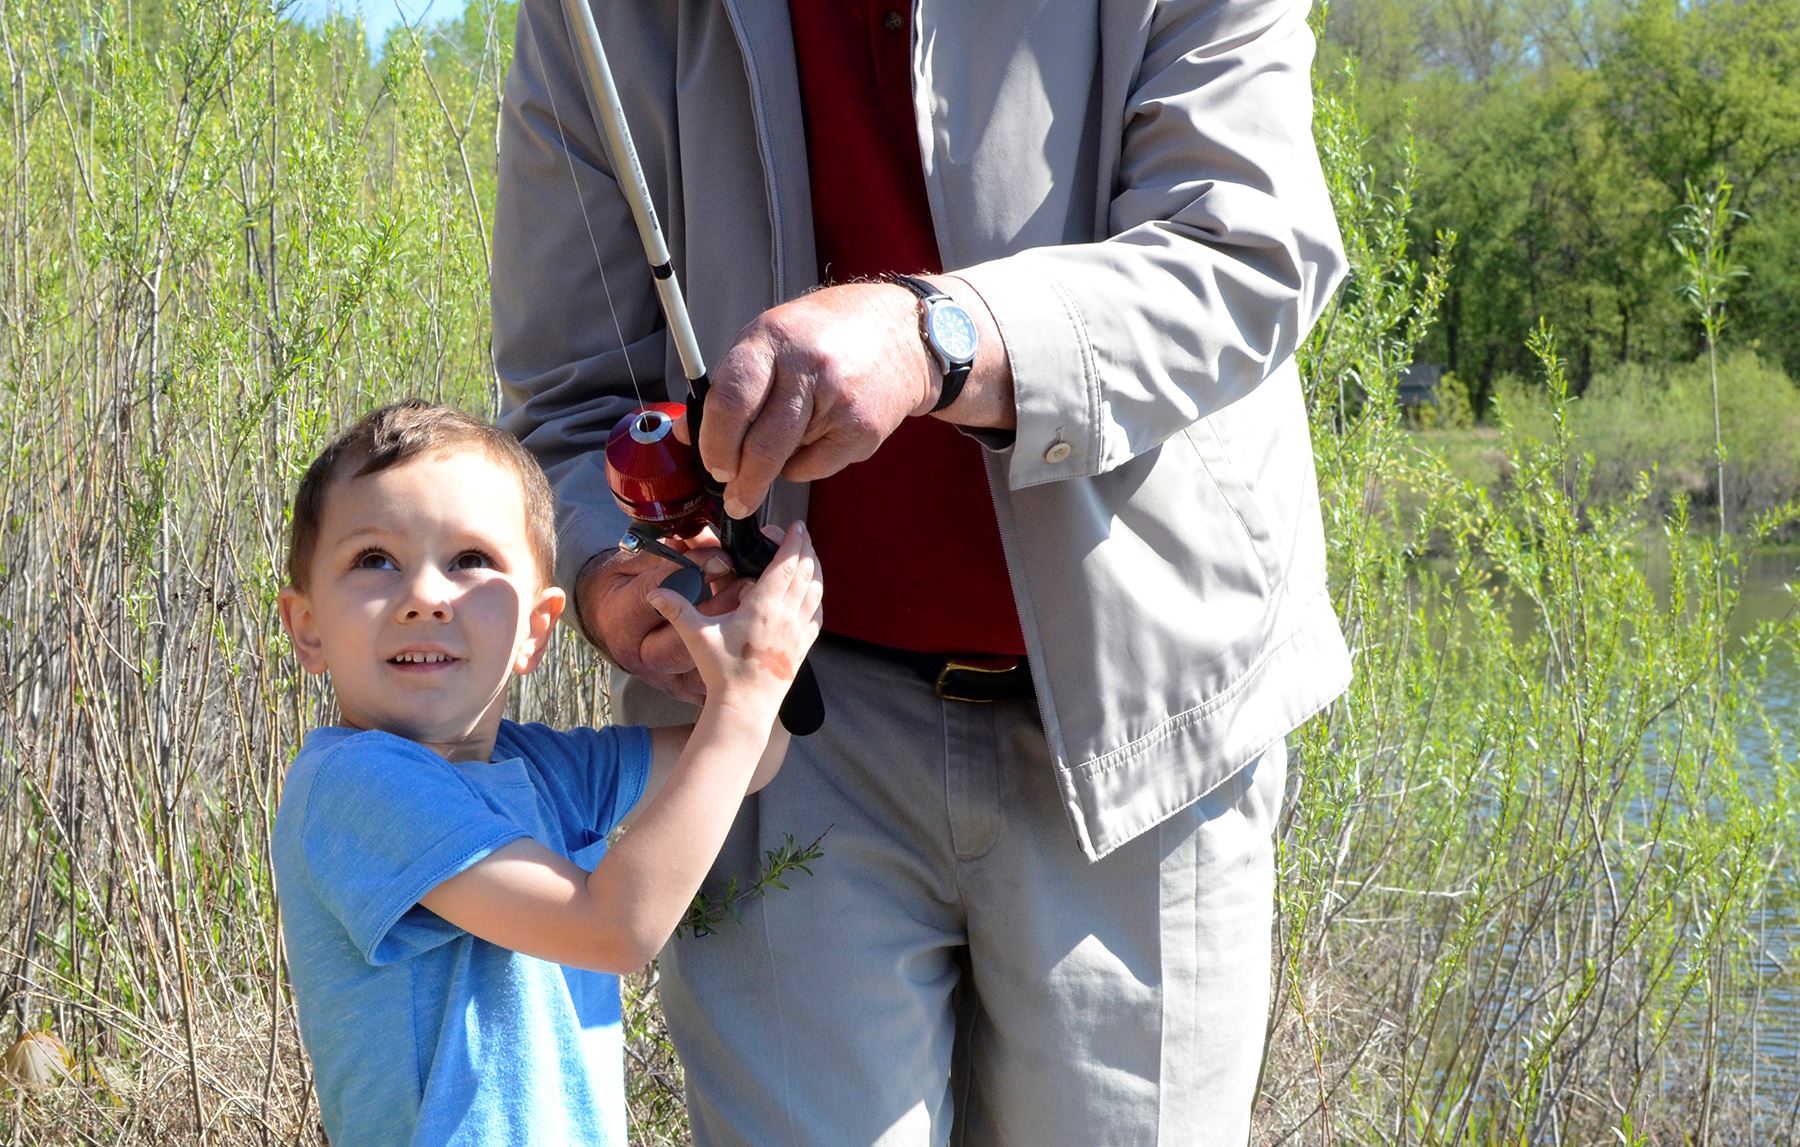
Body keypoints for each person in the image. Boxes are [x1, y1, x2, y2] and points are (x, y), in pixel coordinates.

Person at [494, 1, 1351, 1142]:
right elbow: (567, 400)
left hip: (1150, 734)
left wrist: (932, 338)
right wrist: (614, 575)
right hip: (780, 745)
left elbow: (1248, 253)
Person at [270, 400, 823, 1145]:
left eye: (471, 560)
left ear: (536, 628)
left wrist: (731, 639)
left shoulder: (543, 769)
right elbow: (615, 928)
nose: (425, 598)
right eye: (375, 560)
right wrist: (745, 694)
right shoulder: (353, 784)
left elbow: (751, 755)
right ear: (307, 626)